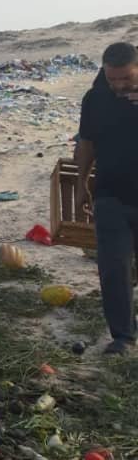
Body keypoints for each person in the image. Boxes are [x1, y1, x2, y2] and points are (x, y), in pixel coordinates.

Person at [76, 42, 138, 355]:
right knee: (113, 268)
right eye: (112, 78)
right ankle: (123, 337)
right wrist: (81, 183)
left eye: (125, 78)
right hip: (110, 194)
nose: (118, 85)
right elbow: (86, 142)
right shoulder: (95, 98)